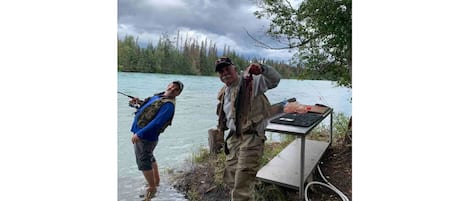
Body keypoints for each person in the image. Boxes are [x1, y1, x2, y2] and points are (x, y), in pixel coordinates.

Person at [215, 56, 281, 201]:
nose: (224, 73)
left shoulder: (251, 81)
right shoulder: (224, 91)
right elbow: (224, 117)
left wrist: (262, 68)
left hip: (251, 137)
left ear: (235, 68)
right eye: (221, 72)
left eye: (227, 69)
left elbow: (275, 80)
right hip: (234, 138)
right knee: (231, 177)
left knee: (242, 184)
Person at [129, 80, 184, 201]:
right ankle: (156, 182)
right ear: (168, 85)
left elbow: (157, 122)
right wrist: (135, 103)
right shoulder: (158, 96)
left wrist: (140, 133)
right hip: (142, 134)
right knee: (149, 156)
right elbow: (146, 108)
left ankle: (152, 188)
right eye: (172, 86)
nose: (172, 89)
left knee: (143, 161)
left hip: (145, 137)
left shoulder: (169, 105)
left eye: (176, 89)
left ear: (178, 94)